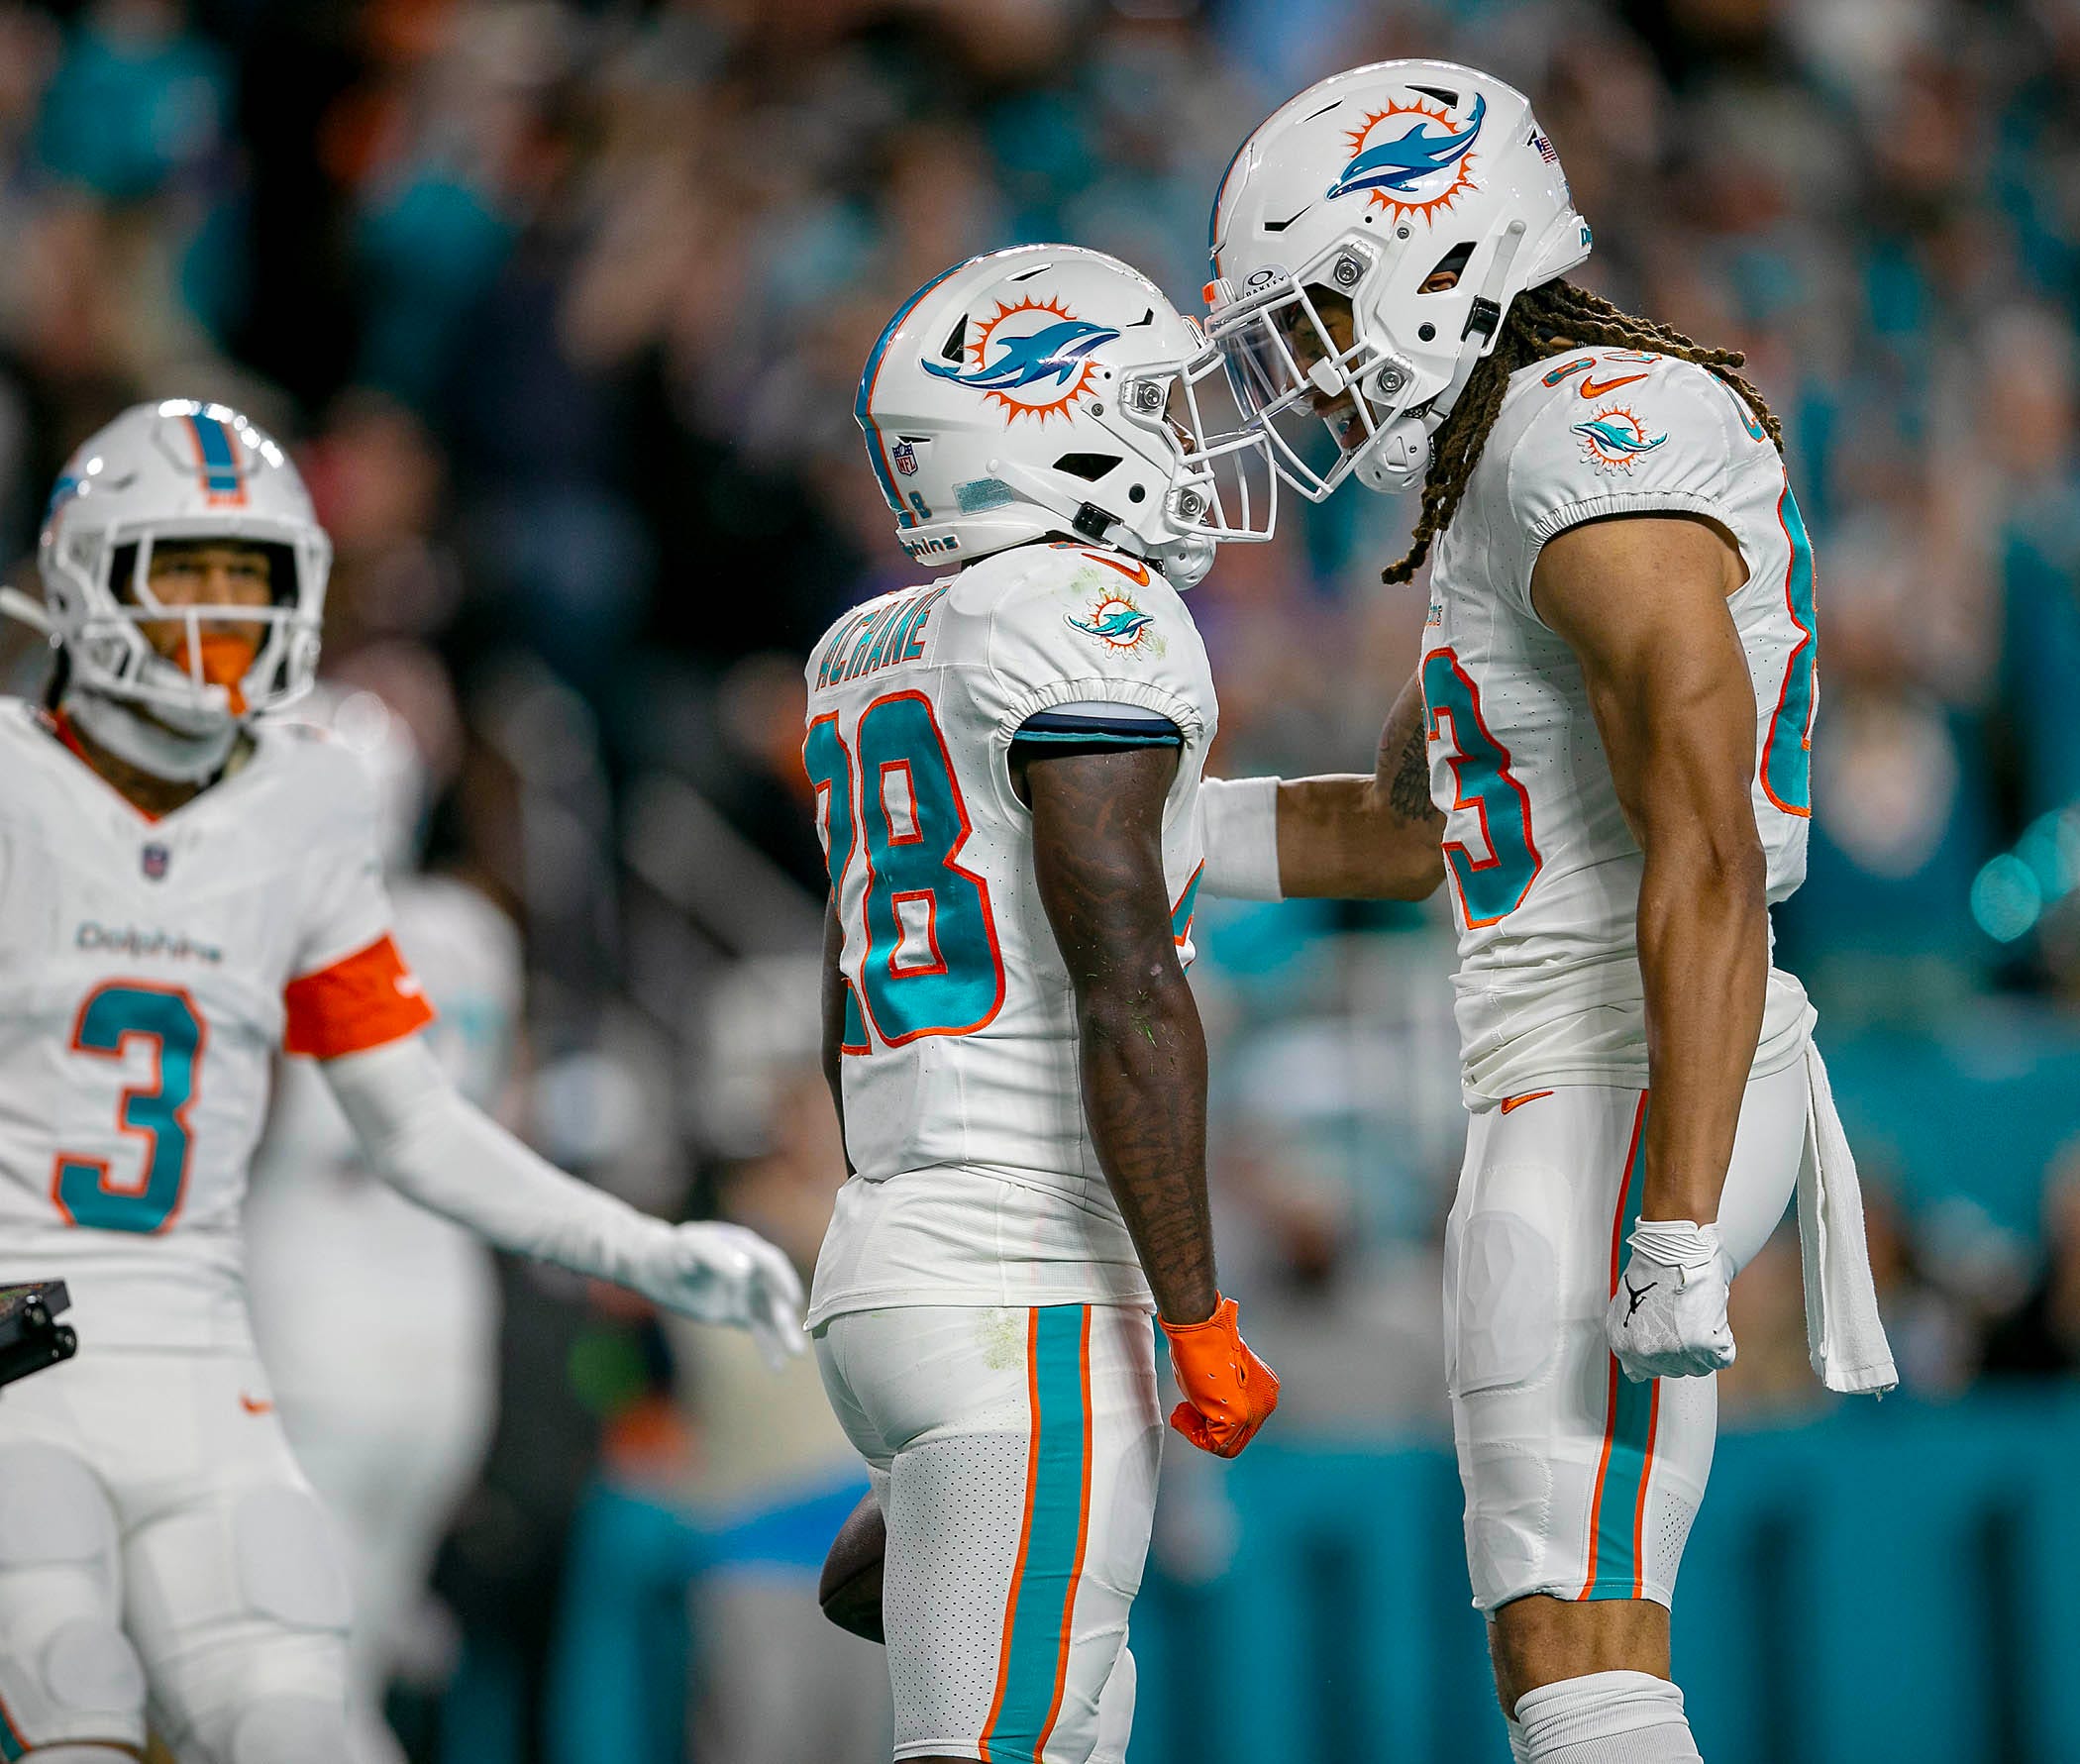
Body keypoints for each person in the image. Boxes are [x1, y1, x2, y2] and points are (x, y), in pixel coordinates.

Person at [1193, 62, 1898, 1764]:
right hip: (1575, 1057)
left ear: (1431, 264)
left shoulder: (1587, 437)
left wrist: (1671, 1217)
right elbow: (1408, 829)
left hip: (1628, 1061)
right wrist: (1131, 828)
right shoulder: (1519, 446)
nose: (1303, 376)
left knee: (1576, 1640)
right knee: (1566, 1638)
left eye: (1313, 321)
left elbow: (1707, 843)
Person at [0, 399, 804, 1764]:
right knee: (84, 1711)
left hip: (208, 1348)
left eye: (248, 583)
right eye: (185, 577)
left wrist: (642, 1243)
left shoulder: (300, 819)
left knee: (301, 1722)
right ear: (88, 575)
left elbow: (420, 1125)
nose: (220, 624)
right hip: (36, 1337)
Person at [807, 245, 1280, 1764]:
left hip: (895, 1250)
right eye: (1157, 404)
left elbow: (849, 986)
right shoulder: (1087, 609)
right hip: (1030, 1277)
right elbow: (1127, 981)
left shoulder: (869, 644)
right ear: (1049, 425)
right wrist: (1196, 1313)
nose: (1193, 439)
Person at [244, 677, 510, 1764]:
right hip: (445, 1339)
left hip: (309, 1324)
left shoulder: (271, 930)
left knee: (288, 1682)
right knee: (346, 1657)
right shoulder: (474, 930)